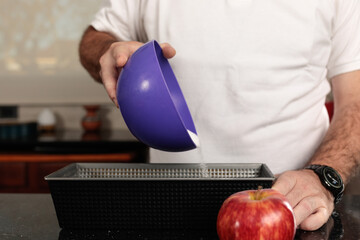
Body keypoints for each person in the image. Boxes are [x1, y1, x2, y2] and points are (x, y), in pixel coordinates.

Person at [79, 0, 360, 231]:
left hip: (295, 213)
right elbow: (95, 37)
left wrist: (322, 177)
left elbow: (354, 102)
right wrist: (108, 50)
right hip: (171, 208)